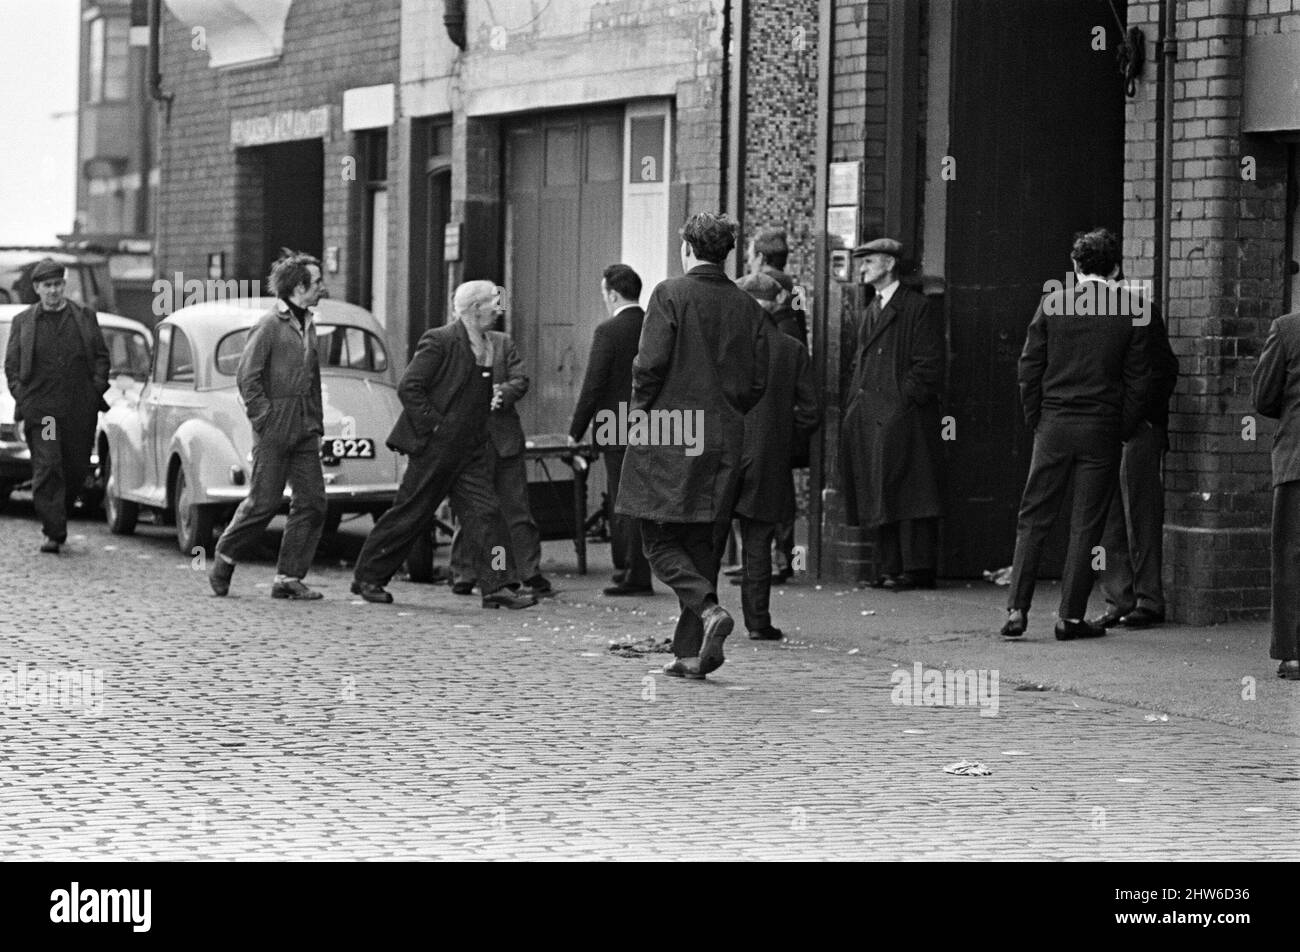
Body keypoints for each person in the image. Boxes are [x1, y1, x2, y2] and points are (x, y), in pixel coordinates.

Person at [615, 212, 768, 679]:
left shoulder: (669, 293)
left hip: (670, 430)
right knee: (704, 542)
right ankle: (690, 652)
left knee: (657, 537)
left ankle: (707, 611)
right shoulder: (749, 307)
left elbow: (649, 365)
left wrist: (639, 415)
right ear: (727, 253)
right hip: (725, 436)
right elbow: (757, 381)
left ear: (687, 249)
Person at [350, 281, 535, 610]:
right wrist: (435, 425)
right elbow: (410, 387)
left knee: (488, 515)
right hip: (435, 448)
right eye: (494, 302)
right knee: (411, 514)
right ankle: (368, 577)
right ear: (476, 308)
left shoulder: (489, 344)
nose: (498, 308)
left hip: (471, 448)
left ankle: (498, 586)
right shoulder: (440, 340)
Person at [1002, 228, 1149, 640]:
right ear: (1117, 267)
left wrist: (1038, 418)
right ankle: (1069, 617)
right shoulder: (1133, 309)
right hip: (1101, 428)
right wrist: (1120, 427)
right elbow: (1139, 381)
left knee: (1034, 516)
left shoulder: (1053, 303)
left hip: (1054, 424)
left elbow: (1028, 368)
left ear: (1076, 266)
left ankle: (1016, 609)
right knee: (1087, 524)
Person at [208, 251, 328, 599]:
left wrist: (316, 423)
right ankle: (225, 556)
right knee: (263, 503)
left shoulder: (309, 323)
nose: (322, 288)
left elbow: (313, 377)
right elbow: (248, 377)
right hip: (274, 427)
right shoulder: (270, 325)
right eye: (317, 282)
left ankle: (288, 578)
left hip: (304, 426)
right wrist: (266, 419)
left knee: (313, 501)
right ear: (299, 286)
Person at [840, 238, 945, 591]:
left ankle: (915, 569)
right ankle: (889, 569)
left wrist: (903, 402)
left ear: (888, 263)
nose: (862, 268)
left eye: (868, 261)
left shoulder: (916, 307)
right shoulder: (872, 309)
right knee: (881, 489)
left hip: (903, 415)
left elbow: (928, 365)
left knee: (910, 491)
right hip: (872, 414)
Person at [730, 272, 820, 640]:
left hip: (723, 455)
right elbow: (810, 413)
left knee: (708, 540)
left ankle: (699, 618)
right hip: (768, 459)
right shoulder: (791, 349)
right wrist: (782, 442)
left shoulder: (724, 347)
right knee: (757, 544)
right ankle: (758, 622)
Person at [1088, 278, 1179, 630]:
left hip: (1137, 428)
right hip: (1107, 427)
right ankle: (1120, 598)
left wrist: (1141, 418)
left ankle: (1147, 599)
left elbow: (1164, 370)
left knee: (1138, 513)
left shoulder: (1139, 312)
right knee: (1111, 517)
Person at [3, 258, 109, 553]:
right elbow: (11, 366)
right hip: (44, 411)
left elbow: (101, 356)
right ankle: (54, 530)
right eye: (47, 286)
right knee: (49, 465)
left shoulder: (84, 317)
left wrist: (95, 389)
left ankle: (58, 513)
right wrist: (24, 398)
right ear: (37, 288)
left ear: (65, 285)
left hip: (79, 409)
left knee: (75, 467)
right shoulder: (24, 322)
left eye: (58, 285)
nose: (53, 291)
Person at [568, 263, 654, 596]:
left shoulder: (608, 332)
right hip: (653, 425)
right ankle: (637, 570)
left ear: (613, 294)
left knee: (623, 502)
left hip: (614, 427)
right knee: (644, 501)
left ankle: (630, 573)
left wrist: (575, 430)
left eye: (604, 293)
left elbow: (594, 385)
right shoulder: (654, 325)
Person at [448, 324, 551, 598]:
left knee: (516, 510)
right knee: (472, 511)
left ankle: (527, 571)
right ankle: (466, 573)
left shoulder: (504, 343)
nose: (494, 314)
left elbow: (521, 379)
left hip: (505, 440)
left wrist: (501, 393)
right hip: (470, 442)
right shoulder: (450, 343)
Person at [745, 228, 807, 582]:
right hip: (784, 400)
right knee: (778, 488)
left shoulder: (760, 287)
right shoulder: (793, 288)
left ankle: (769, 560)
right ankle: (780, 558)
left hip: (766, 400)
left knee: (762, 491)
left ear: (760, 257)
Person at [1251, 311, 1300, 681]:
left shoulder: (1288, 328)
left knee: (1292, 556)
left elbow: (1264, 397)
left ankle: (1295, 653)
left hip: (1298, 459)